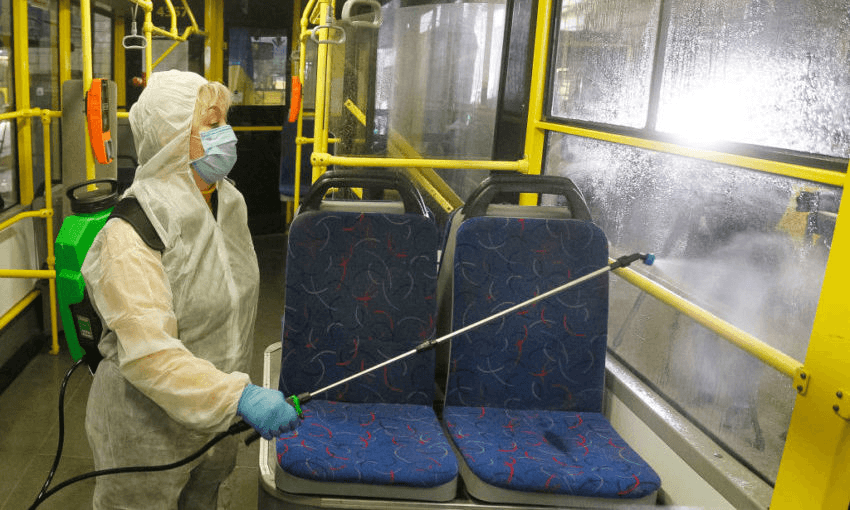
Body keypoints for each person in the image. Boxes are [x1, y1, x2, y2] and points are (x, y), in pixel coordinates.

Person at [81, 70, 299, 509]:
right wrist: (240, 395)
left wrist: (227, 400)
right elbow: (150, 355)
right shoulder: (133, 230)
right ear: (172, 136)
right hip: (147, 432)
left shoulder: (228, 202)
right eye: (212, 124)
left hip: (214, 421)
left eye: (225, 121)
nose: (227, 135)